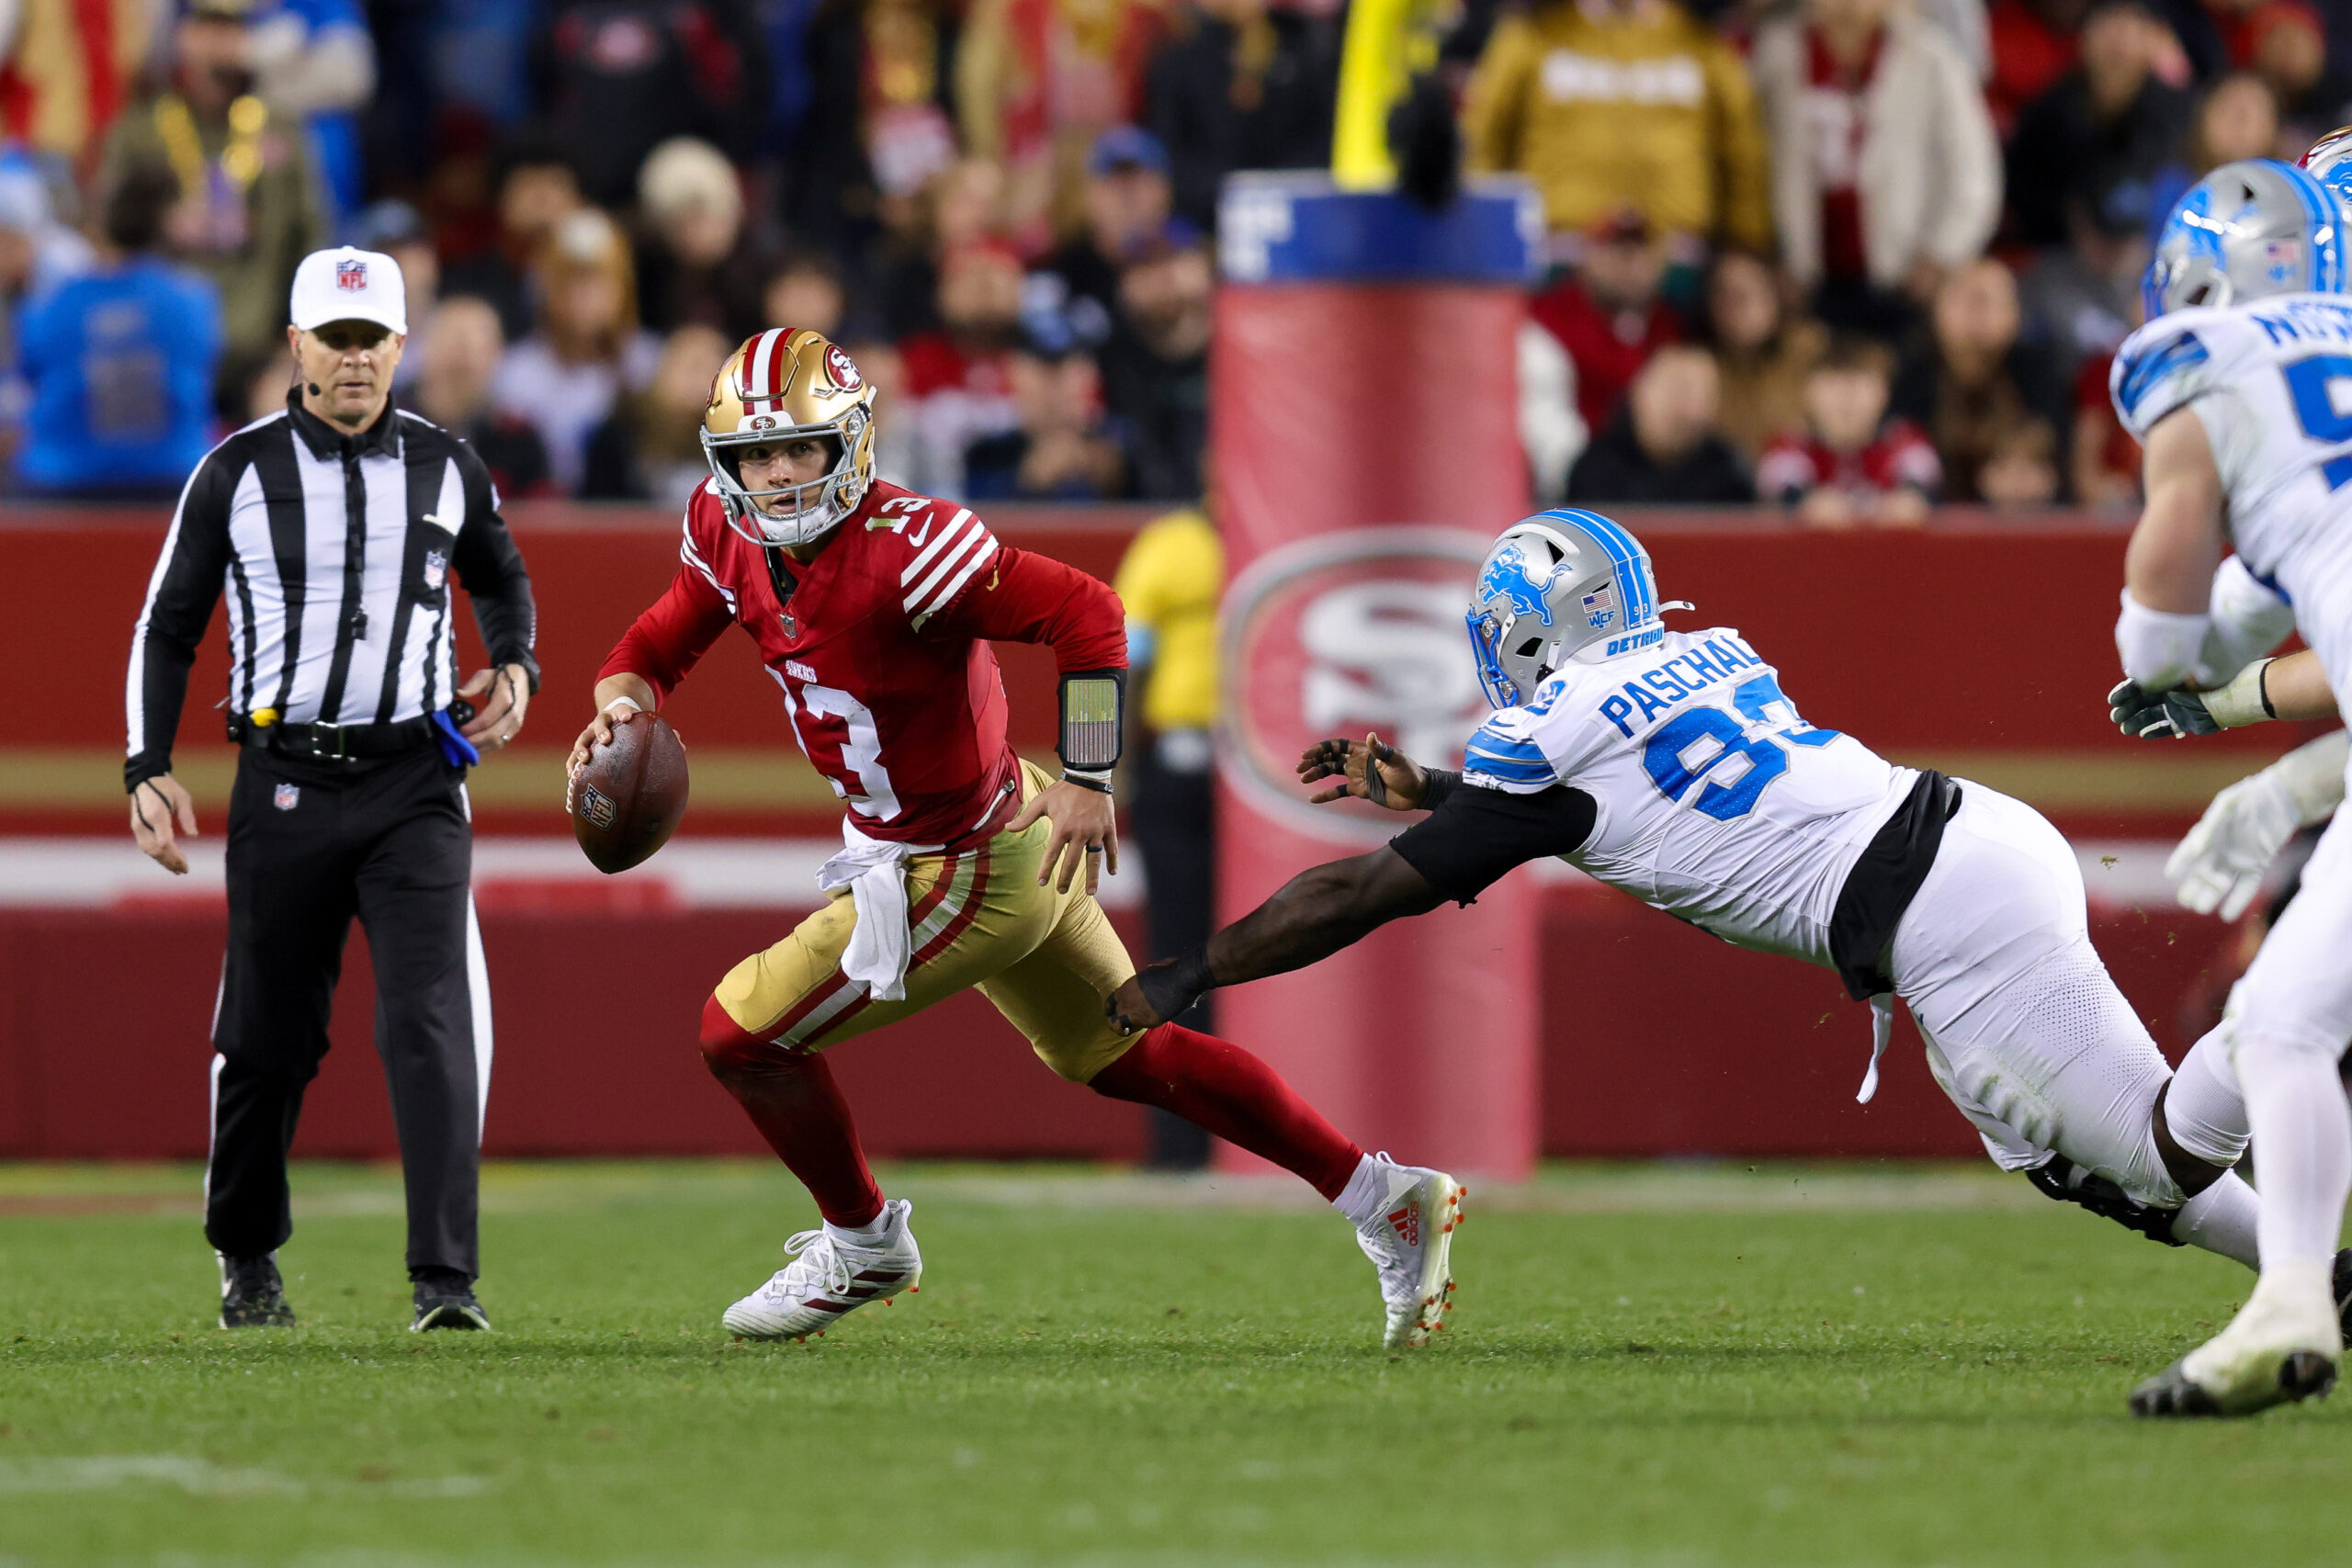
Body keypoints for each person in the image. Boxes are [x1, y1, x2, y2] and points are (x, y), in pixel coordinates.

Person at [1102, 507, 2331, 1387]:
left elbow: (1362, 891)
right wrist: (1431, 783)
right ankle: (2312, 1275)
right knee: (2069, 1159)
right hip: (1976, 839)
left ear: (1521, 631)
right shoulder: (1703, 652)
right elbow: (1612, 796)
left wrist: (1195, 967)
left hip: (1942, 919)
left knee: (2164, 1146)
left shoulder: (1545, 736)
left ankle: (2283, 1049)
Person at [568, 328, 1461, 1349]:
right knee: (1124, 1050)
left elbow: (1088, 614)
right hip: (952, 839)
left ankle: (862, 1240)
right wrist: (620, 710)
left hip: (967, 860)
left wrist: (1088, 773)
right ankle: (1382, 1194)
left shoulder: (912, 548)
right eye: (755, 456)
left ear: (850, 445)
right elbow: (654, 644)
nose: (775, 475)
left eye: (799, 450)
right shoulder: (726, 534)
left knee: (740, 1034)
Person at [125, 245, 540, 1333]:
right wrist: (146, 764)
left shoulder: (449, 465)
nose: (354, 360)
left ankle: (445, 1282)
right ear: (296, 344)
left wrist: (519, 662)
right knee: (266, 1039)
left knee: (428, 1021)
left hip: (414, 778)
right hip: (287, 780)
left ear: (400, 348)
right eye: (336, 338)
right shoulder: (236, 470)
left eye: (373, 340)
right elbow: (169, 622)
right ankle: (247, 1252)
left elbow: (499, 574)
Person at [2098, 157, 2352, 1415]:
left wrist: (2168, 655)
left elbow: (2176, 611)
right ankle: (2292, 1298)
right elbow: (2300, 575)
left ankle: (2294, 1295)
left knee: (2291, 1022)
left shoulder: (2202, 356)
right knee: (2288, 1014)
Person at [99, 0, 325, 410]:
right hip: (159, 343)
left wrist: (295, 342)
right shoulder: (143, 127)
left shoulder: (279, 127)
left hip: (257, 345)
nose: (220, 45)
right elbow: (108, 237)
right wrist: (162, 220)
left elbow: (309, 235)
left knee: (290, 407)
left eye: (233, 29)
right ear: (183, 36)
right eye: (209, 27)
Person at [1749, 0, 2001, 336]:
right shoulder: (1778, 53)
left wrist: (1943, 254)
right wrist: (1772, 257)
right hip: (1806, 277)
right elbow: (1751, 162)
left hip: (1902, 275)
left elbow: (1973, 171)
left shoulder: (1929, 55)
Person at [1460, 0, 1770, 253]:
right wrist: (1482, 247)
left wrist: (1747, 250)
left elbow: (1744, 159)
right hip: (1556, 260)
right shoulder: (1532, 35)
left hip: (1680, 264)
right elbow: (1482, 149)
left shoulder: (1704, 40)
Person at [1113, 499, 1225, 1170]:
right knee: (1180, 956)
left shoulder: (1295, 530)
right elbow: (1119, 658)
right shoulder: (1175, 544)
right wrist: (1106, 769)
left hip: (1280, 781)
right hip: (1185, 766)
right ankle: (1182, 1143)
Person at [13, 162, 220, 497]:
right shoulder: (195, 300)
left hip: (62, 487)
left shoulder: (50, 303)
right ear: (167, 225)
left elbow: (28, 376)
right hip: (173, 483)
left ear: (100, 226)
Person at [1757, 337, 1940, 523]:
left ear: (1885, 392)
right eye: (1833, 382)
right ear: (1808, 391)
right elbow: (1782, 484)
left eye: (1860, 383)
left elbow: (1921, 479)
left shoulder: (1904, 440)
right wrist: (1806, 503)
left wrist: (1910, 499)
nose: (1846, 397)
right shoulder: (1790, 443)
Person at [406, 295, 553, 499]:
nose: (462, 359)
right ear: (426, 347)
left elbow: (542, 519)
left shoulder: (517, 437)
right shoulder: (387, 424)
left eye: (475, 349)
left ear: (497, 355)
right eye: (452, 343)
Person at [1565, 344, 1753, 503]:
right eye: (1678, 390)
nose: (1690, 408)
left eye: (1703, 393)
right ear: (1639, 391)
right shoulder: (1596, 468)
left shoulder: (1729, 472)